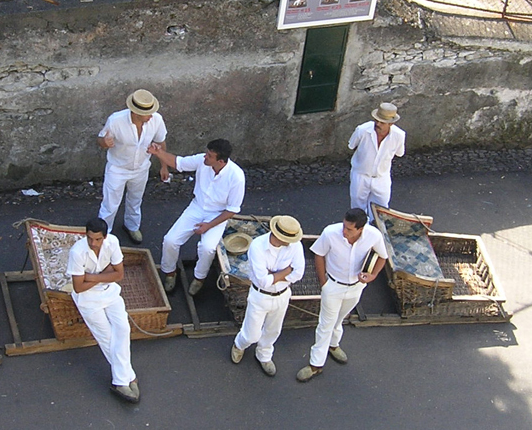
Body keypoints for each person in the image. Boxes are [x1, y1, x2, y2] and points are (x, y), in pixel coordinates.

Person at [297, 208, 388, 383]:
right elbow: (319, 254)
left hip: (356, 287)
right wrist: (324, 283)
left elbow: (382, 257)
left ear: (361, 229)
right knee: (326, 324)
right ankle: (315, 364)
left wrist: (373, 275)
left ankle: (333, 345)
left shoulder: (374, 235)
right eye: (344, 226)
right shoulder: (330, 233)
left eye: (349, 229)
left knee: (339, 319)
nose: (344, 231)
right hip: (333, 286)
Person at [148, 139, 245, 295]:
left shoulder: (237, 177)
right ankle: (170, 273)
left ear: (220, 161)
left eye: (209, 156)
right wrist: (158, 152)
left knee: (207, 248)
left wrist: (208, 225)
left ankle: (199, 278)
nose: (205, 157)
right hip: (197, 206)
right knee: (170, 240)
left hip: (218, 214)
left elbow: (232, 210)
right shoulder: (202, 160)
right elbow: (178, 162)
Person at [68, 218, 139, 403]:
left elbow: (120, 274)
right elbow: (78, 287)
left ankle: (123, 378)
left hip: (110, 293)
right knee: (107, 338)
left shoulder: (112, 242)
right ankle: (126, 378)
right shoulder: (77, 252)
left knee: (123, 329)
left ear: (104, 237)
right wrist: (105, 275)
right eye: (90, 238)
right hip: (88, 300)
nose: (93, 243)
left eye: (98, 239)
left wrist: (91, 277)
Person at [230, 215, 304, 377]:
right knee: (252, 334)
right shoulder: (257, 246)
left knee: (273, 330)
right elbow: (263, 282)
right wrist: (286, 272)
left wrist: (274, 275)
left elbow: (298, 273)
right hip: (259, 296)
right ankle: (239, 344)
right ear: (278, 236)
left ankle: (264, 355)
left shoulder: (296, 245)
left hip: (283, 295)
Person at [96, 89, 168, 244]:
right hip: (117, 168)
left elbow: (161, 142)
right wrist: (105, 143)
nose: (151, 116)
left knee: (135, 200)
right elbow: (101, 139)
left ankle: (132, 226)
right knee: (110, 204)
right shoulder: (116, 120)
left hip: (141, 168)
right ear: (135, 112)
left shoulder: (156, 119)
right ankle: (103, 235)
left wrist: (164, 166)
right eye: (147, 113)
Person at [349, 102, 405, 218]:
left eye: (382, 122)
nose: (378, 124)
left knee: (381, 212)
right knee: (357, 211)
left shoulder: (399, 135)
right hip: (360, 175)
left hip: (381, 178)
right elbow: (351, 145)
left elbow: (399, 153)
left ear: (391, 123)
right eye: (376, 120)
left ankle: (376, 234)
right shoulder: (362, 130)